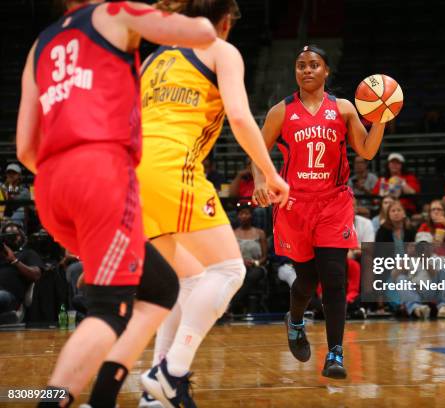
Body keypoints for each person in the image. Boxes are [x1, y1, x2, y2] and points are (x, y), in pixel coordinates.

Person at [16, 1, 217, 406]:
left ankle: (102, 398)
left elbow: (24, 147)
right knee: (109, 310)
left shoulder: (41, 44)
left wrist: (71, 176)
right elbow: (204, 34)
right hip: (100, 173)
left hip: (51, 185)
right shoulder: (116, 13)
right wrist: (164, 9)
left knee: (160, 287)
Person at [135, 1, 289, 406]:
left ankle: (155, 394)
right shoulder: (220, 49)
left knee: (185, 279)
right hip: (172, 166)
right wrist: (269, 173)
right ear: (226, 21)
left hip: (130, 173)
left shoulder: (151, 61)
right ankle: (172, 371)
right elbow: (240, 116)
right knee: (228, 269)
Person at [252, 45, 388, 379]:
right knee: (308, 280)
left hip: (334, 203)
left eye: (314, 65)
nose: (307, 70)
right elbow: (257, 150)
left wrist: (382, 118)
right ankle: (295, 319)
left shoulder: (342, 109)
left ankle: (336, 354)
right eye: (301, 66)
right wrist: (259, 180)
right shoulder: (280, 112)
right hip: (295, 205)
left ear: (326, 71)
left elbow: (367, 151)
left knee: (335, 278)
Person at [394, 232, 445, 319]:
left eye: (427, 245)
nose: (424, 248)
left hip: (433, 290)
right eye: (421, 246)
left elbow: (435, 275)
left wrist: (423, 259)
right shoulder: (409, 259)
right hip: (415, 291)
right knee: (401, 278)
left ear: (432, 246)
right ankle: (417, 309)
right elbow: (395, 277)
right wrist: (407, 256)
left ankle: (444, 306)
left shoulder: (439, 259)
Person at [0, 222, 43, 323]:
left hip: (10, 296)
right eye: (8, 236)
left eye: (15, 235)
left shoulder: (28, 254)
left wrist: (14, 261)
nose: (12, 238)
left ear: (22, 236)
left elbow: (36, 275)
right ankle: (6, 318)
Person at [232, 203, 268, 313]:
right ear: (238, 216)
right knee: (240, 274)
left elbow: (264, 257)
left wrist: (255, 263)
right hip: (239, 266)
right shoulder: (233, 233)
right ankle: (236, 305)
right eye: (241, 214)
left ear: (251, 215)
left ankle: (232, 304)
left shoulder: (260, 233)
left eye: (246, 213)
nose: (244, 216)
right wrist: (242, 262)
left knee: (254, 274)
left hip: (257, 266)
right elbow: (232, 255)